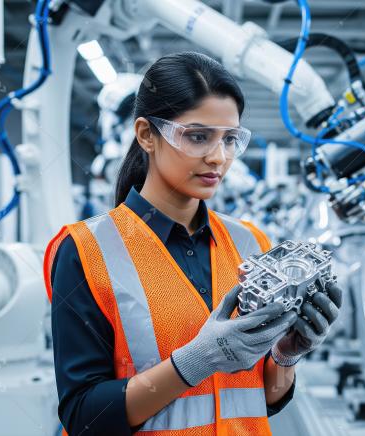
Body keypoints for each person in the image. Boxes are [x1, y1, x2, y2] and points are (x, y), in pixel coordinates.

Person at [42, 52, 342, 435]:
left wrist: (285, 357)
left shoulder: (250, 242)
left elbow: (260, 399)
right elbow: (84, 416)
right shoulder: (86, 251)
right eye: (198, 137)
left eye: (230, 139)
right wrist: (194, 362)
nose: (218, 157)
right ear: (146, 135)